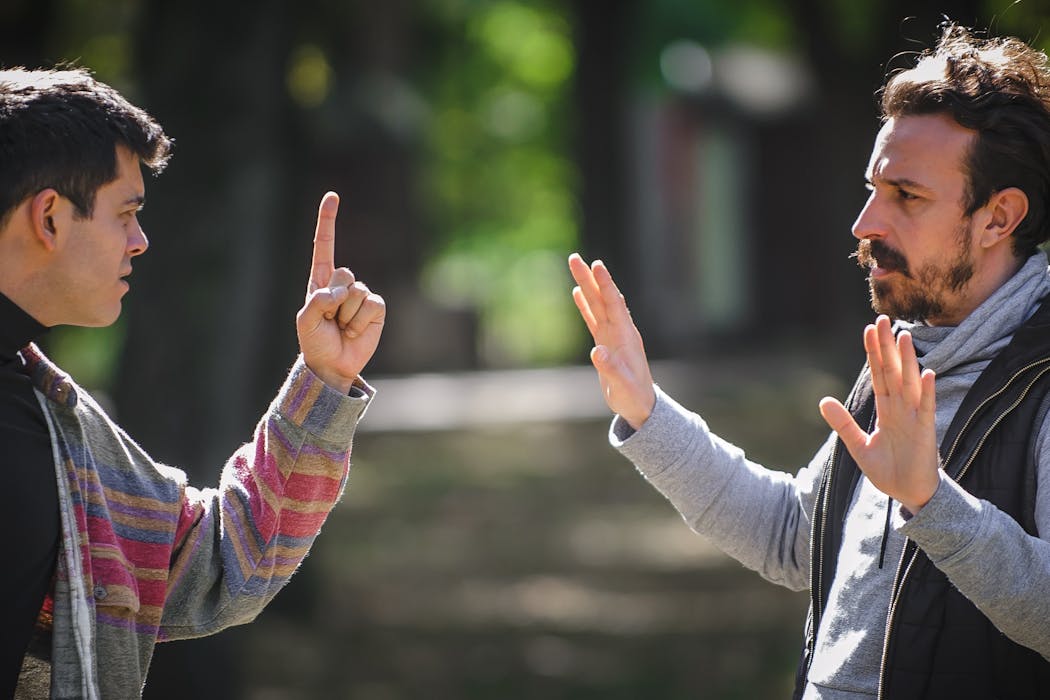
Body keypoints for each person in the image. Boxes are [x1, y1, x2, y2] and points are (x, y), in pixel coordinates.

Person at [569, 23, 1050, 700]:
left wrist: (932, 501)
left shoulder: (1041, 385)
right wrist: (646, 409)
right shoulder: (902, 354)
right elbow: (796, 536)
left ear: (998, 218)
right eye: (872, 188)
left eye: (907, 196)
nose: (865, 224)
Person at [0, 67, 386, 698]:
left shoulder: (47, 420)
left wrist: (324, 379)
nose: (140, 241)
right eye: (126, 213)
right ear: (49, 217)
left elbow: (219, 559)